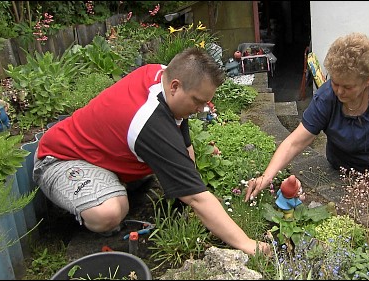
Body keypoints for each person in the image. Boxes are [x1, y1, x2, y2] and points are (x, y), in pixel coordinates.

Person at [33, 47, 270, 256]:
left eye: (205, 103)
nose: (200, 110)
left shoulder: (164, 76)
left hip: (102, 156)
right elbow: (197, 197)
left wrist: (190, 177)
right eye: (197, 102)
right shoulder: (149, 121)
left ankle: (114, 183)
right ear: (175, 86)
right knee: (111, 212)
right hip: (60, 160)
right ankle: (82, 202)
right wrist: (247, 244)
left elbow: (185, 147)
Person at [245, 33, 369, 211]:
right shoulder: (326, 98)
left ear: (368, 80)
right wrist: (266, 177)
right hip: (342, 170)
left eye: (348, 87)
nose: (339, 92)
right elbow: (294, 142)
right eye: (335, 83)